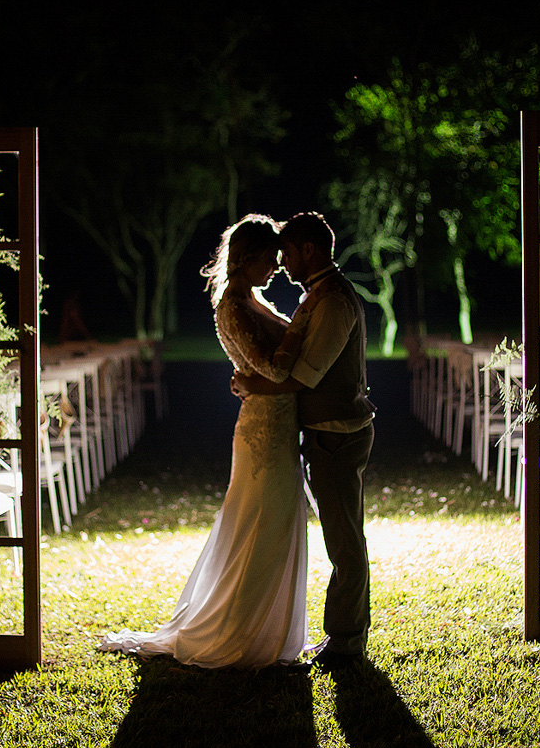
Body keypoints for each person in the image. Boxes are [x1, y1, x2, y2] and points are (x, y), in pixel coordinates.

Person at [99, 214, 308, 669]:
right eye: (270, 259)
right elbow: (272, 369)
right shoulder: (232, 306)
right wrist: (306, 355)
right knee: (258, 524)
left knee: (271, 523)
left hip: (276, 422)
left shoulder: (250, 298)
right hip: (264, 428)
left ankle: (270, 629)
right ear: (248, 257)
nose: (275, 267)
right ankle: (243, 630)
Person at [233, 211, 375, 670]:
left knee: (344, 539)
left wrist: (252, 385)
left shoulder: (332, 301)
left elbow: (305, 377)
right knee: (341, 535)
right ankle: (343, 635)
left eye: (288, 253)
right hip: (326, 433)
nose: (283, 262)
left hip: (339, 433)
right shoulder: (319, 295)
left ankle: (347, 640)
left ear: (309, 251)